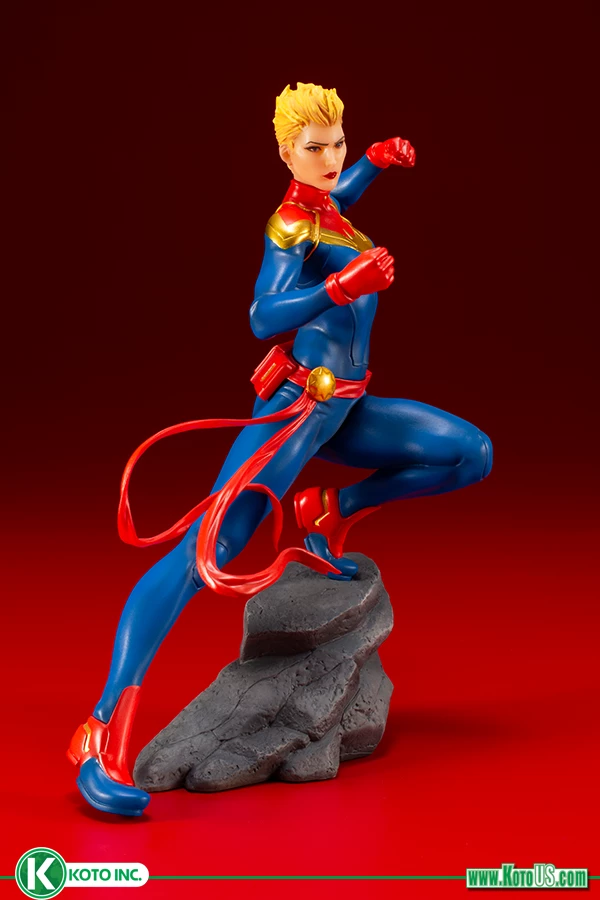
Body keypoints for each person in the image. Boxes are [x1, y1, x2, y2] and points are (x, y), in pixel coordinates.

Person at [67, 83, 492, 816]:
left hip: (348, 407)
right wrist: (341, 286)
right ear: (285, 154)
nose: (331, 159)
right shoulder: (291, 222)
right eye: (314, 148)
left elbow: (338, 192)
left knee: (469, 453)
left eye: (339, 143)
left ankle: (330, 509)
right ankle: (100, 732)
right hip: (298, 410)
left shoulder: (326, 203)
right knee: (206, 551)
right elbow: (264, 315)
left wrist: (376, 163)